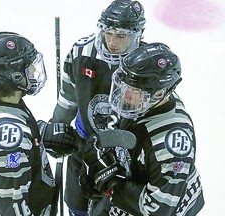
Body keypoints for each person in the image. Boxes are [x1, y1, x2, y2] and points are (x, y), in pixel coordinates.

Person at [81, 42, 205, 215]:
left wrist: (112, 185)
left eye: (132, 91)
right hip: (134, 187)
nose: (124, 95)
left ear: (159, 94)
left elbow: (159, 210)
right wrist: (101, 146)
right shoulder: (143, 101)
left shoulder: (171, 147)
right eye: (123, 87)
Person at [51, 0, 146, 215]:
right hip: (83, 147)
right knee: (76, 208)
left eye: (121, 36)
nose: (112, 42)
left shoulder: (144, 65)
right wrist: (56, 130)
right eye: (108, 33)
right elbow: (67, 99)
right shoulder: (81, 52)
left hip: (122, 162)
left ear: (137, 35)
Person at [0, 32, 77, 216]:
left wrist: (39, 132)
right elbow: (11, 207)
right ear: (14, 76)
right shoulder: (12, 141)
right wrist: (25, 139)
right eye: (29, 69)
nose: (35, 72)